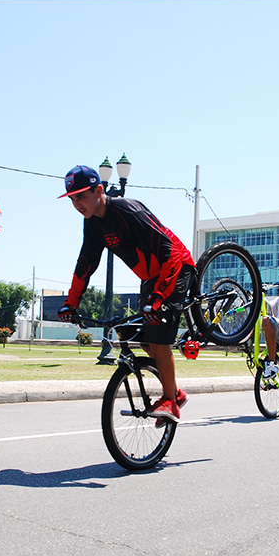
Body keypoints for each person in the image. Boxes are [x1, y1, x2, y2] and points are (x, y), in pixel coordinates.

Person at [56, 165, 195, 422]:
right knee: (144, 340)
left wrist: (159, 296)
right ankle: (176, 392)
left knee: (159, 337)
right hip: (150, 277)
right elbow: (85, 264)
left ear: (99, 190)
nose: (77, 204)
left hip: (175, 267)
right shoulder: (93, 225)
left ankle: (170, 402)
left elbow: (170, 254)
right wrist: (70, 304)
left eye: (82, 196)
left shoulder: (128, 210)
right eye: (73, 199)